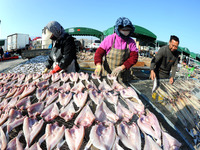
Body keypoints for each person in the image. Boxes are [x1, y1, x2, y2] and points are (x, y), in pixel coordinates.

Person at [94, 17, 138, 83]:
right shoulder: (110, 39)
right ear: (118, 29)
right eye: (123, 29)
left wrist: (122, 67)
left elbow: (134, 57)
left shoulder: (131, 42)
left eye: (127, 30)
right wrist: (98, 64)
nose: (126, 32)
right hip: (108, 74)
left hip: (123, 75)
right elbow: (99, 53)